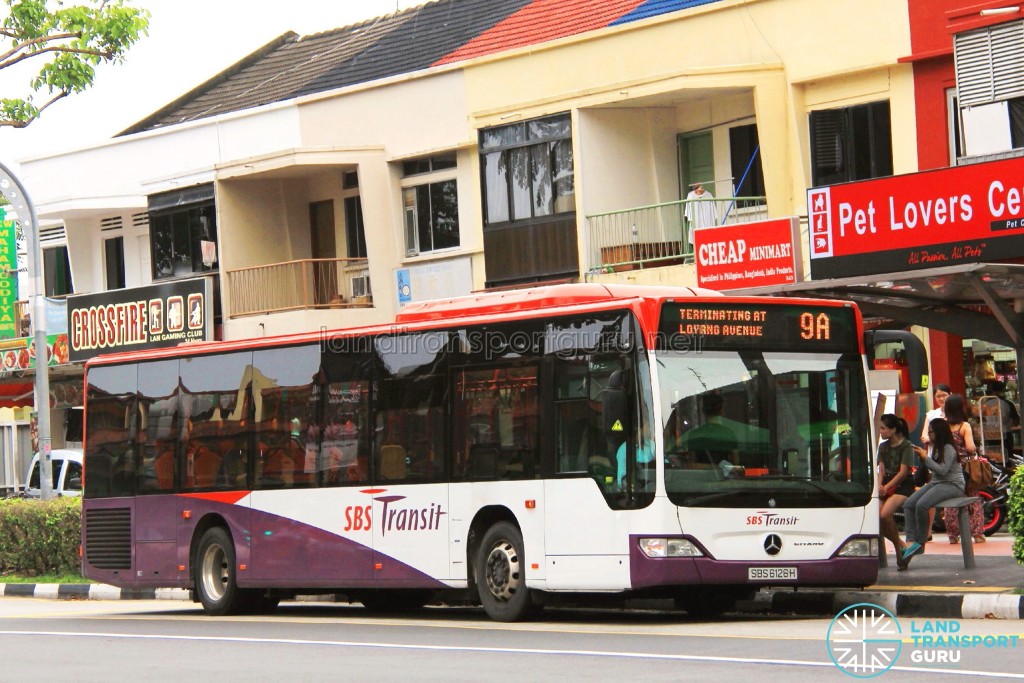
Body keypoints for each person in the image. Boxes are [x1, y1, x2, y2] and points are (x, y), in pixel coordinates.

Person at [901, 418, 966, 568]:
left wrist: (925, 458)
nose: (928, 434)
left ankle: (921, 541)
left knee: (922, 505)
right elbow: (936, 472)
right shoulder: (936, 447)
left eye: (931, 431)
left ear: (938, 432)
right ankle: (911, 540)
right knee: (909, 504)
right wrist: (924, 458)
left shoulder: (949, 448)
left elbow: (942, 470)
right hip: (937, 482)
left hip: (953, 485)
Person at [940, 394, 983, 544]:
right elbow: (970, 447)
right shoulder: (964, 426)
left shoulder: (943, 426)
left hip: (948, 468)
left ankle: (953, 535)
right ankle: (977, 534)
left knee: (950, 500)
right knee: (972, 498)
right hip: (965, 468)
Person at [876, 414, 915, 566]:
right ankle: (902, 547)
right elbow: (881, 470)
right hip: (886, 486)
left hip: (902, 486)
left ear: (893, 430)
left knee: (885, 514)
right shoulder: (882, 446)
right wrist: (880, 486)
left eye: (883, 428)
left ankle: (900, 550)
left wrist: (886, 487)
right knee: (876, 518)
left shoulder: (906, 446)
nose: (881, 431)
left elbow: (903, 472)